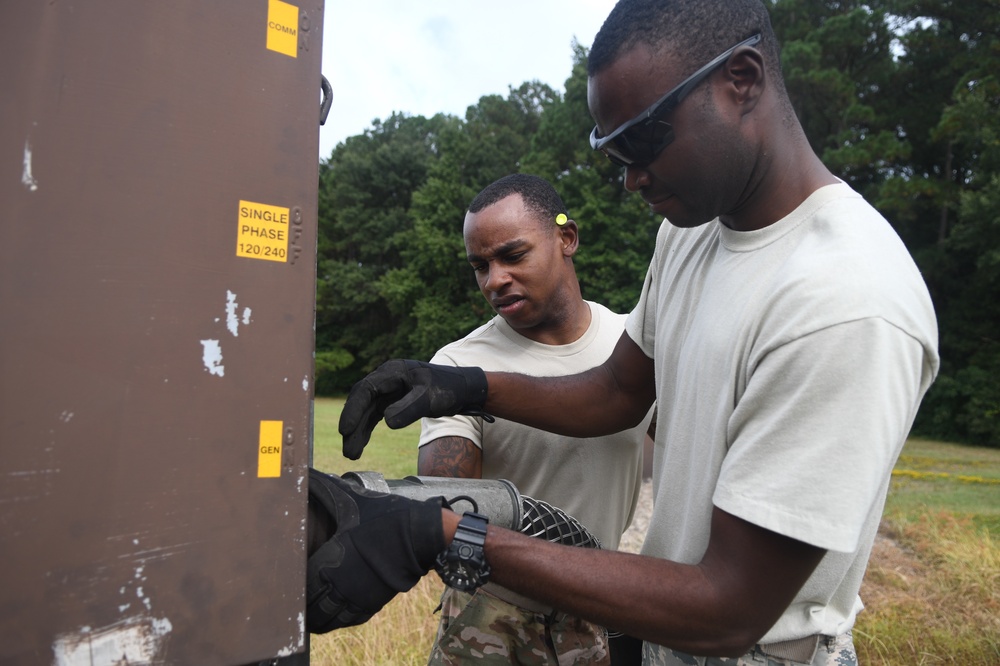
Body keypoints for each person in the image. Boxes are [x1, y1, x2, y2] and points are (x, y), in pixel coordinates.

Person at [320, 1, 940, 663]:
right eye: (613, 154)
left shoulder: (844, 300)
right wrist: (462, 385)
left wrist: (444, 535)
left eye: (644, 142)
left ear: (742, 78)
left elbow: (728, 609)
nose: (630, 178)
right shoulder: (691, 233)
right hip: (669, 640)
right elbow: (617, 392)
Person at [418, 173, 653, 665]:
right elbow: (447, 515)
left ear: (566, 238)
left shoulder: (633, 350)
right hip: (489, 617)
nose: (494, 279)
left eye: (513, 255)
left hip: (600, 608)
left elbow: (692, 454)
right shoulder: (459, 367)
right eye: (479, 266)